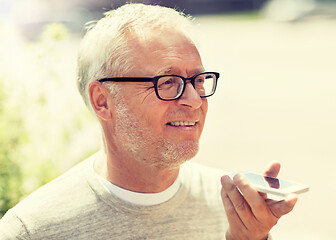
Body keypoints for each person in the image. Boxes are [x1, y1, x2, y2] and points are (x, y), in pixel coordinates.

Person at [0, 3, 297, 239]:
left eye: (199, 80)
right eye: (168, 82)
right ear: (102, 101)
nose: (194, 100)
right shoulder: (33, 230)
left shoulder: (234, 209)